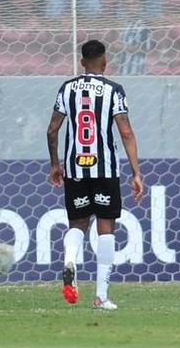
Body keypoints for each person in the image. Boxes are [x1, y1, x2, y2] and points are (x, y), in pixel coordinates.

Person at [47, 39, 145, 310]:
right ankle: (101, 295)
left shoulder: (67, 89)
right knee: (106, 227)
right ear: (105, 62)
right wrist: (136, 172)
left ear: (81, 62)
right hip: (105, 169)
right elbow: (125, 132)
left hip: (75, 168)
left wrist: (56, 165)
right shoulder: (114, 90)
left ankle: (69, 259)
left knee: (77, 225)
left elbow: (52, 130)